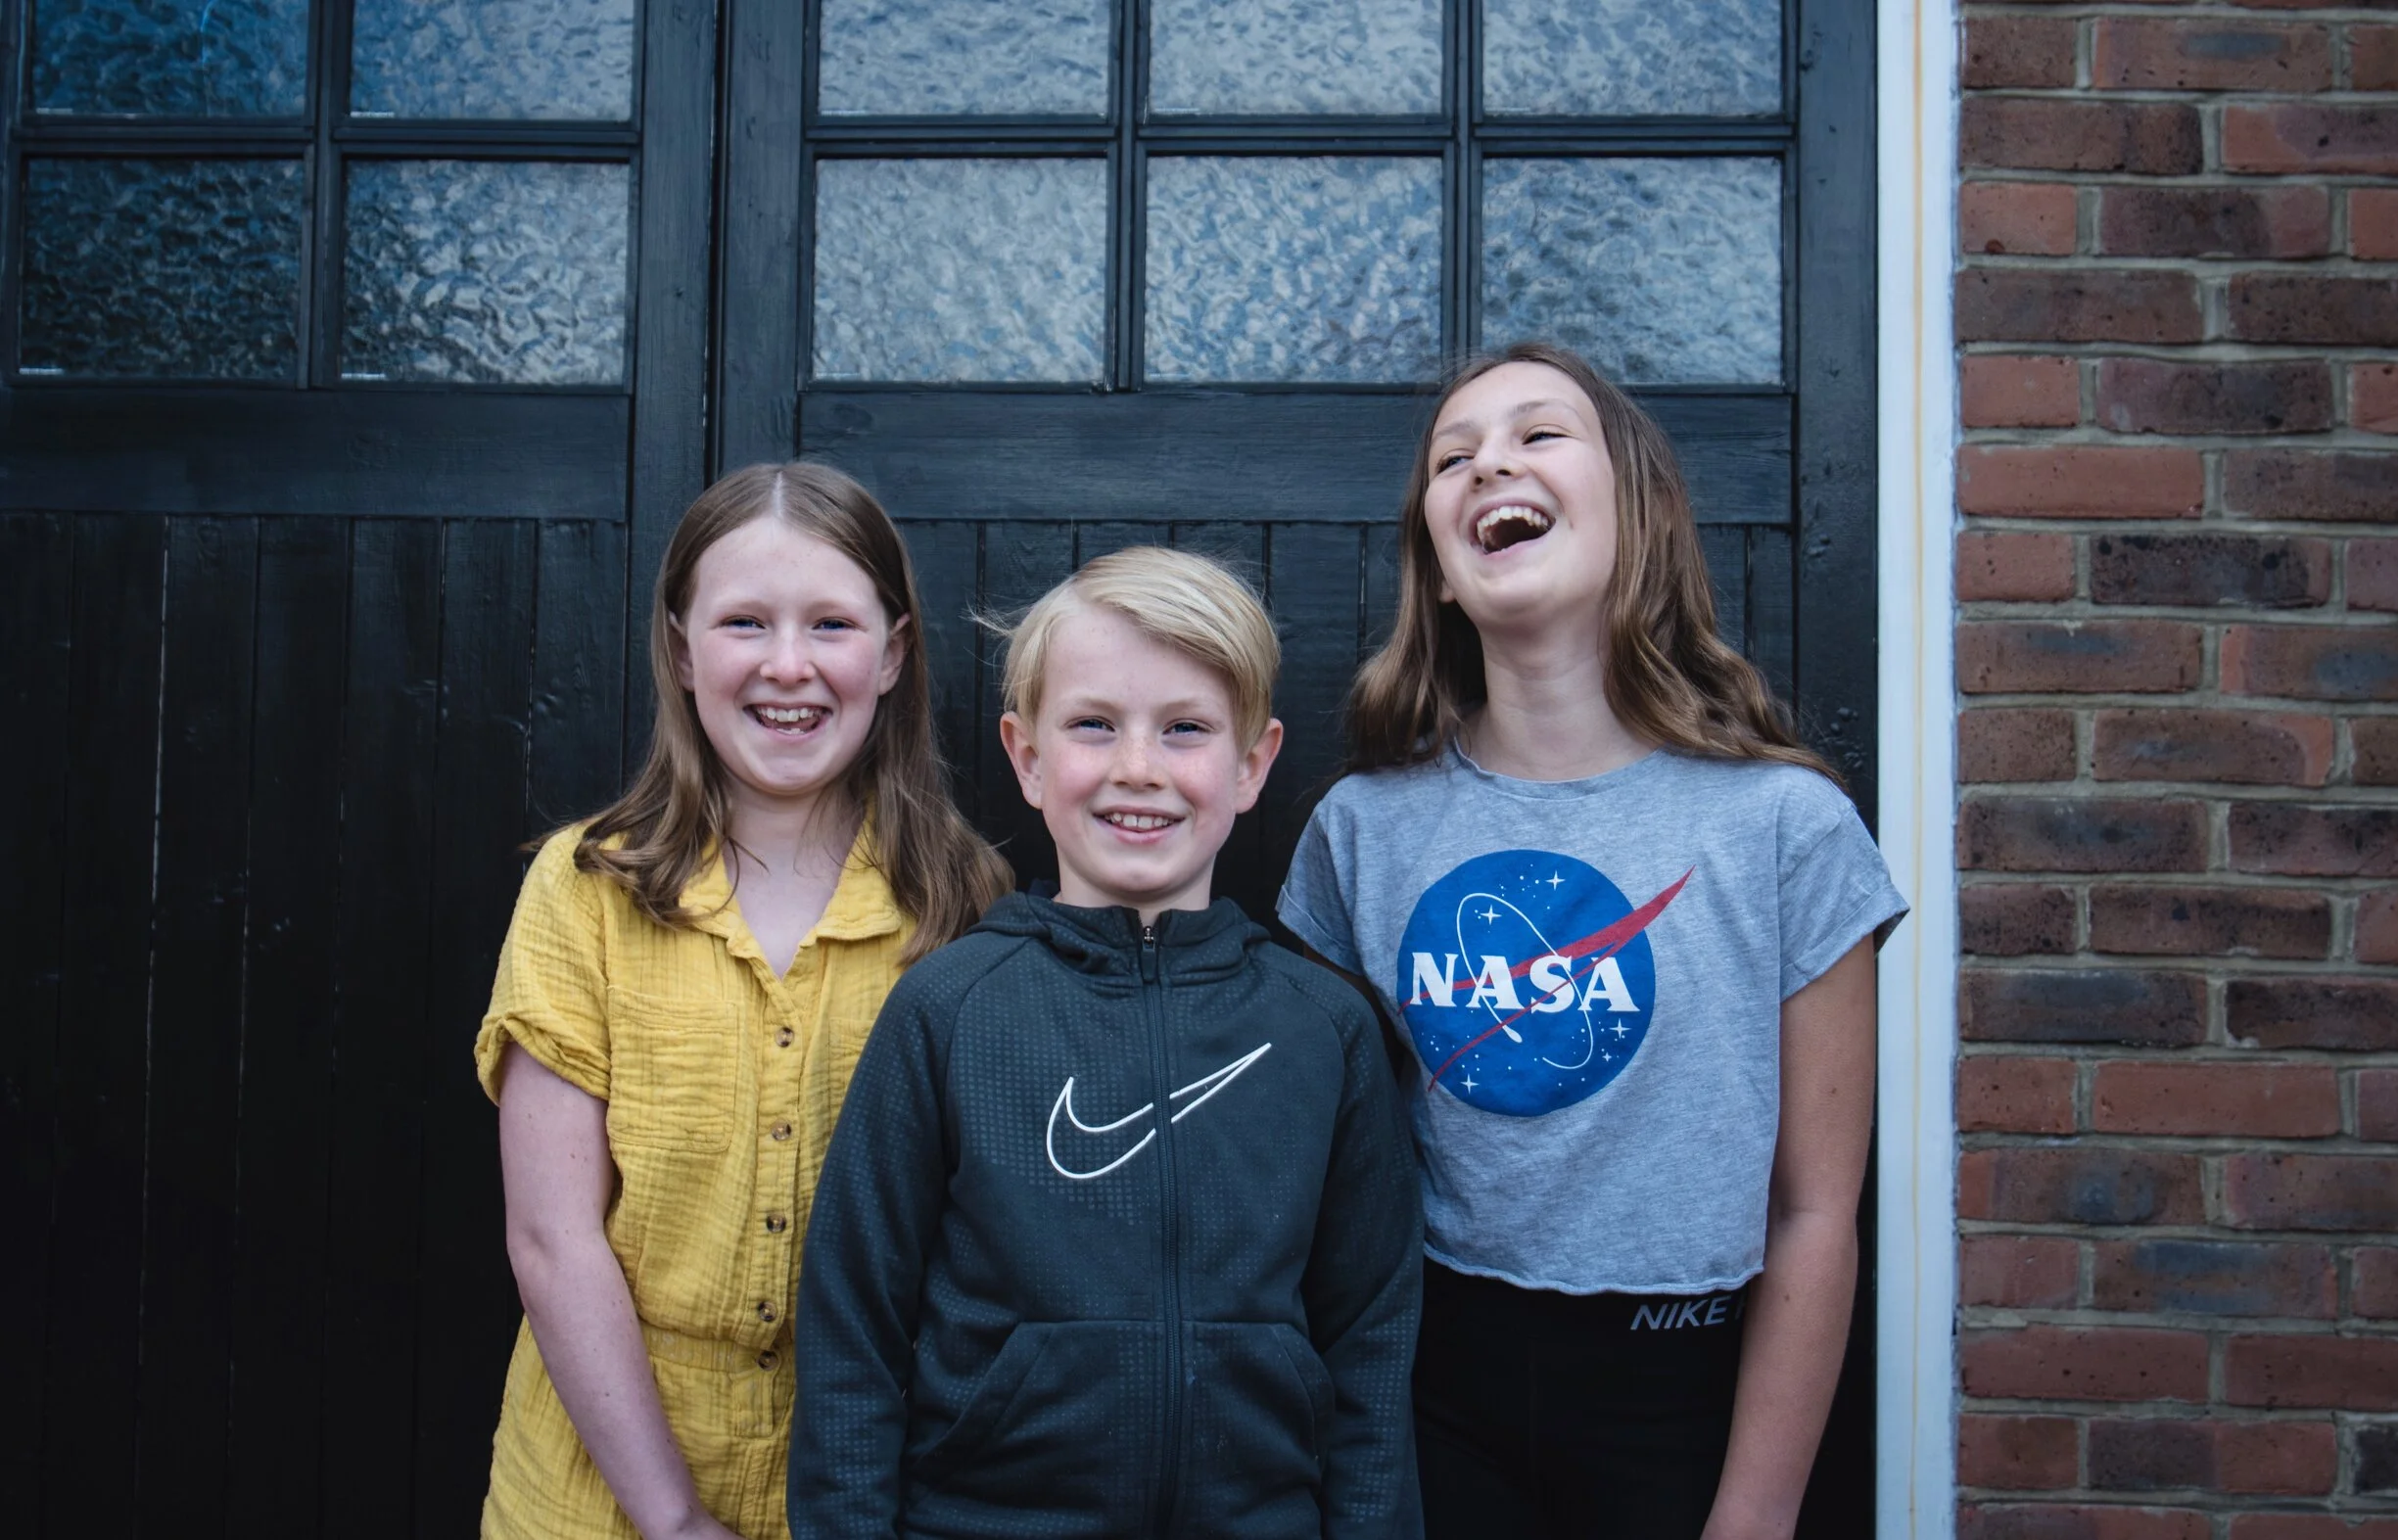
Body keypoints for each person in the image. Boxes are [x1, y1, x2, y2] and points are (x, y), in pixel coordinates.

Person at [1277, 343, 1906, 1540]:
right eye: (1453, 457)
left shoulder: (1784, 827)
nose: (1489, 463)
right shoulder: (1360, 832)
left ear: (1642, 515)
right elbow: (1326, 1179)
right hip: (1430, 1394)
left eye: (1536, 435)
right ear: (1442, 576)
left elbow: (1816, 1210)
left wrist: (1755, 1517)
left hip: (1682, 1401)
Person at [790, 546, 1423, 1540]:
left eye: (1185, 729)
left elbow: (1371, 1344)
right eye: (1094, 725)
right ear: (1029, 757)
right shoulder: (950, 1009)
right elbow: (851, 1334)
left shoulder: (1323, 1028)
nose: (1139, 768)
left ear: (1251, 761)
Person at [473, 462, 1010, 1540]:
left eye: (831, 624)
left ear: (894, 652)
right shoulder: (586, 888)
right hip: (592, 1498)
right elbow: (550, 1236)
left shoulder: (964, 903)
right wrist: (672, 1519)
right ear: (680, 647)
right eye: (744, 621)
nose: (788, 665)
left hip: (861, 1496)